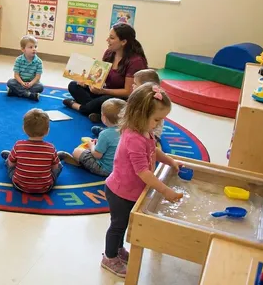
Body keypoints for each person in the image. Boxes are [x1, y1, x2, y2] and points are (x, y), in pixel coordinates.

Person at [100, 83, 182, 277]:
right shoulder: (133, 138)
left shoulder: (145, 130)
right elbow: (143, 172)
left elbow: (153, 150)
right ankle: (109, 257)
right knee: (118, 225)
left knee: (124, 223)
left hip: (131, 190)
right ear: (139, 114)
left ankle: (118, 250)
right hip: (121, 192)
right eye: (157, 119)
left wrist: (169, 160)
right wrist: (165, 191)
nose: (159, 124)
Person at [64, 24, 147, 122]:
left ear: (123, 42)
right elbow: (101, 77)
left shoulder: (135, 61)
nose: (107, 40)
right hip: (106, 93)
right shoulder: (109, 53)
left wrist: (103, 91)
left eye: (111, 38)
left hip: (122, 99)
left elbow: (128, 92)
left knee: (104, 100)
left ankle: (77, 106)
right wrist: (87, 82)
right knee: (73, 85)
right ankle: (102, 113)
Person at [57, 99, 125, 177]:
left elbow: (97, 155)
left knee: (77, 152)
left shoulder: (105, 134)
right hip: (123, 168)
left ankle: (82, 164)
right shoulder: (129, 130)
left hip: (106, 169)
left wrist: (91, 145)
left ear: (103, 117)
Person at [0, 109, 62, 194]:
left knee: (9, 164)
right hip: (45, 187)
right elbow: (55, 168)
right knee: (59, 166)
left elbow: (11, 165)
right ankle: (56, 157)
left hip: (19, 185)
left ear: (24, 129)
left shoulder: (19, 145)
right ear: (47, 131)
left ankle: (10, 156)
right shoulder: (51, 148)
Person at [7, 35, 43, 101]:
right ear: (23, 49)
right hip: (20, 82)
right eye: (31, 47)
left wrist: (30, 84)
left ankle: (15, 92)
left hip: (32, 83)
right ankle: (28, 94)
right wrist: (22, 83)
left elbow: (37, 77)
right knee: (10, 82)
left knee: (40, 87)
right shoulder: (18, 60)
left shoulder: (39, 61)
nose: (34, 49)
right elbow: (16, 75)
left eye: (35, 46)